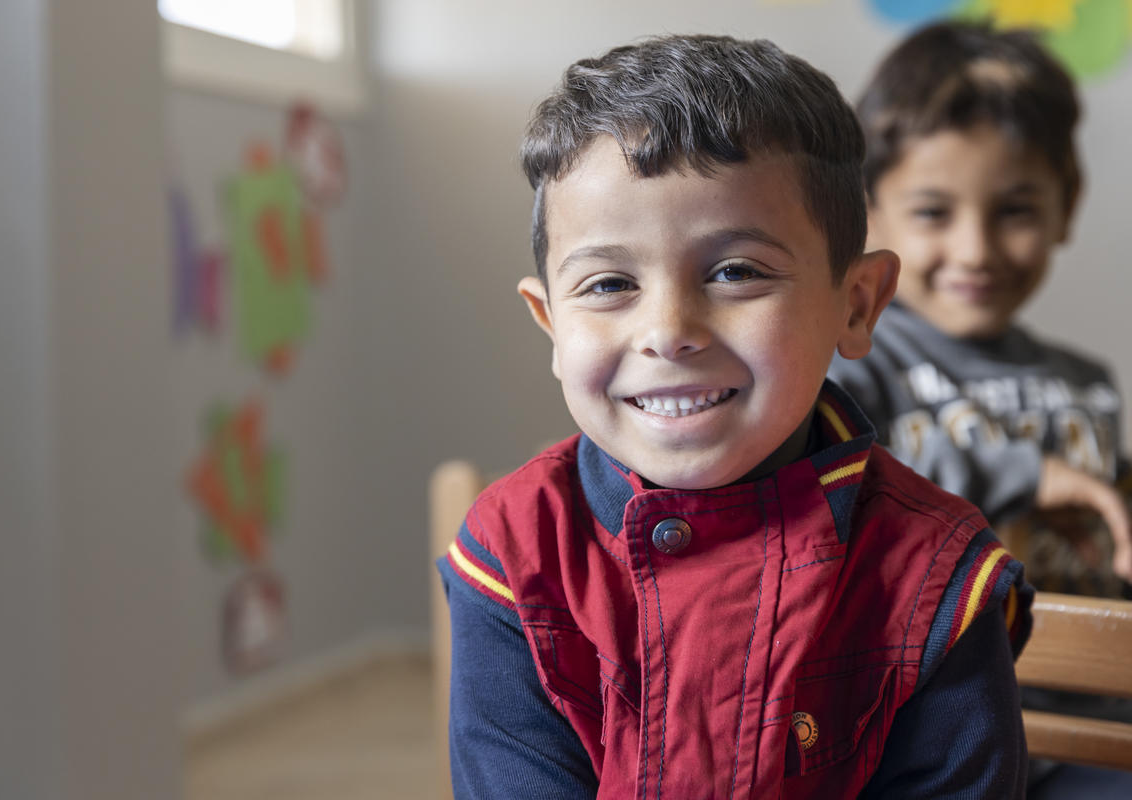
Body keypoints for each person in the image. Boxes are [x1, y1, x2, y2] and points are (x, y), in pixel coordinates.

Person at [437, 34, 1032, 798]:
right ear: (550, 323)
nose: (668, 330)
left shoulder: (939, 576)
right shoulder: (512, 556)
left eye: (735, 272)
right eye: (610, 284)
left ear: (856, 305)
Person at [829, 20, 1132, 599]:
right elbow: (838, 485)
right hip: (945, 685)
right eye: (933, 213)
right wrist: (1026, 477)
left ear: (1066, 204)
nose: (975, 252)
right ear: (868, 210)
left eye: (1015, 211)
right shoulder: (848, 361)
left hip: (1100, 680)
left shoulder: (1087, 384)